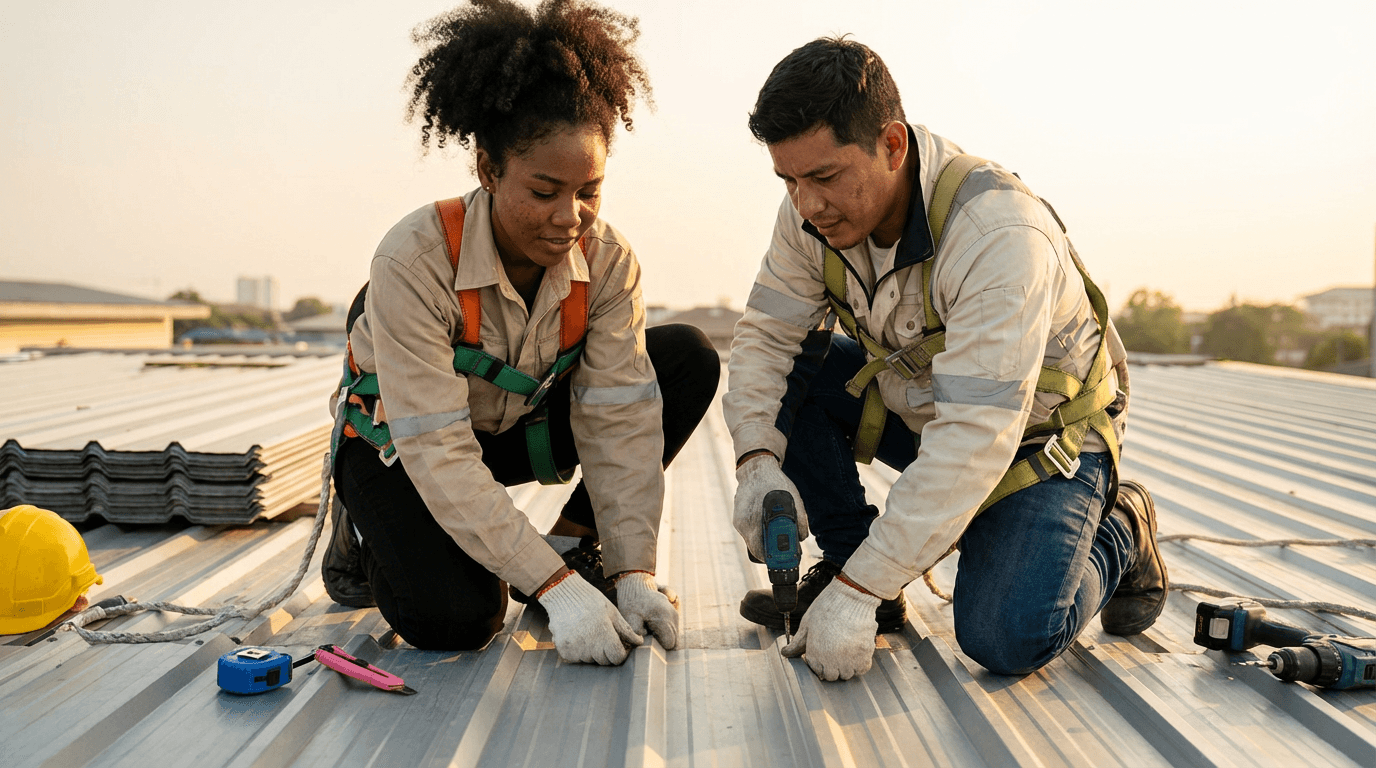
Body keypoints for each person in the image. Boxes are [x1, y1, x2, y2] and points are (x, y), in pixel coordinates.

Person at [724, 37, 1167, 681]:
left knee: (1005, 636)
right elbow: (767, 339)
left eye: (823, 177)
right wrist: (756, 463)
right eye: (788, 180)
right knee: (803, 371)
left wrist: (860, 591)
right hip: (927, 408)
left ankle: (1124, 524)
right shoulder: (809, 217)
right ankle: (851, 562)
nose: (806, 204)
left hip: (1039, 440)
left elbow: (975, 435)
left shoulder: (997, 232)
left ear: (892, 145)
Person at [325, 0, 718, 666]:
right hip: (405, 443)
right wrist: (556, 591)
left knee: (686, 359)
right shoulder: (413, 260)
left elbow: (619, 421)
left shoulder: (608, 262)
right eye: (544, 191)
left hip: (510, 430)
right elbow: (438, 448)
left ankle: (573, 543)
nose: (570, 217)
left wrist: (632, 573)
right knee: (459, 618)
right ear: (488, 170)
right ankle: (366, 530)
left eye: (589, 190)